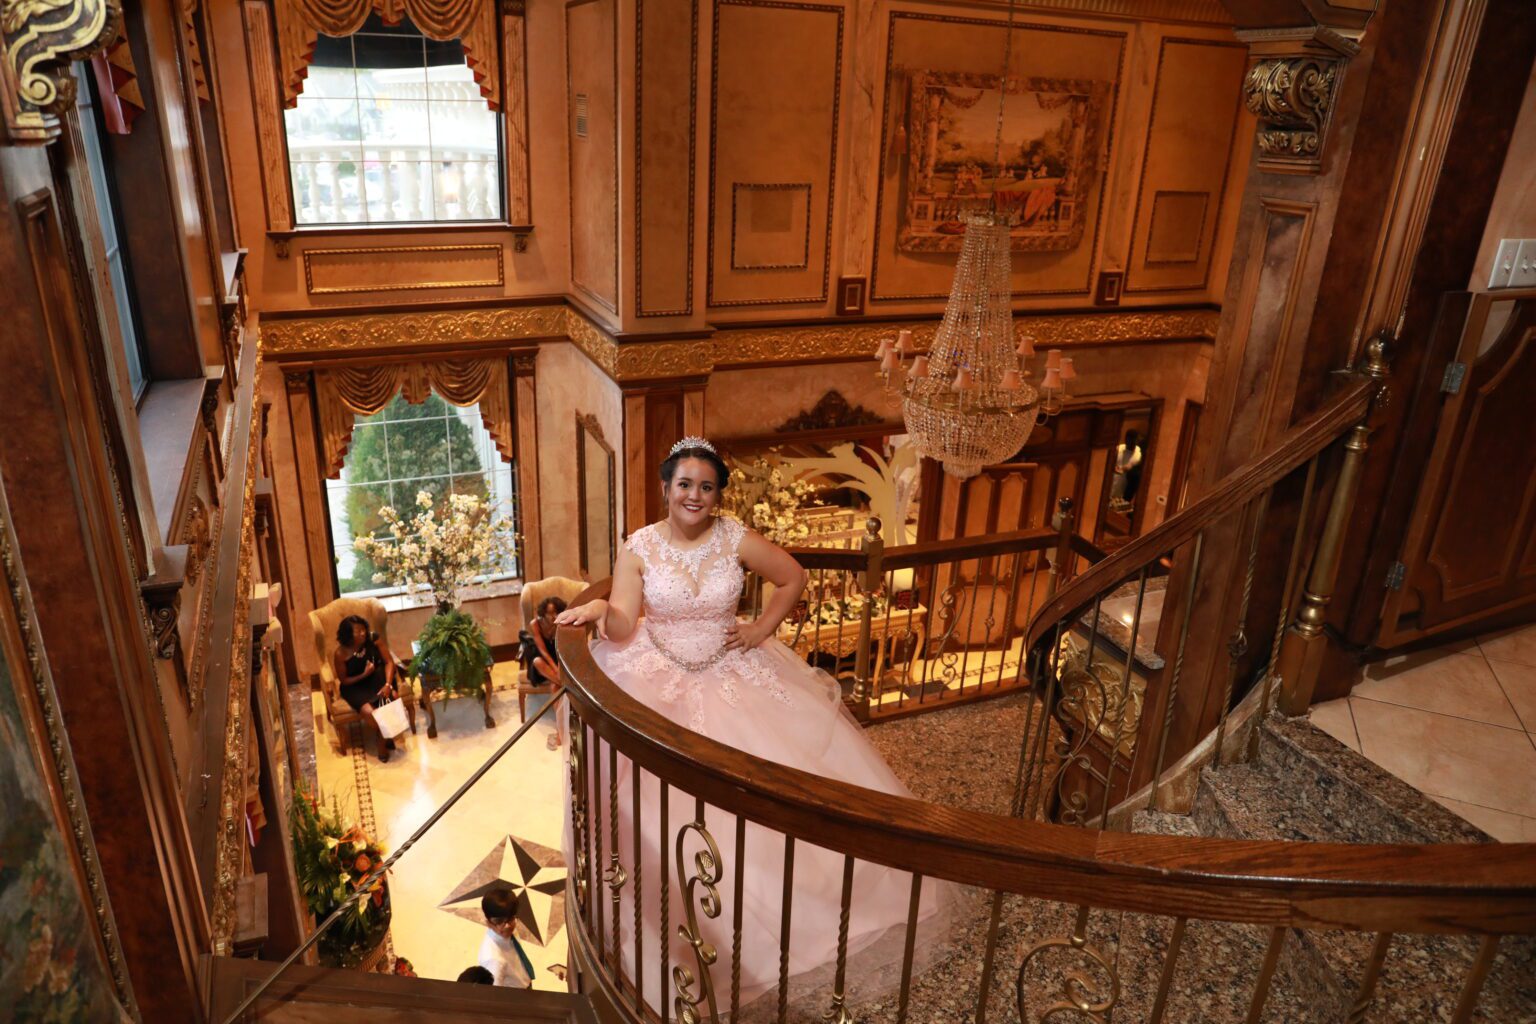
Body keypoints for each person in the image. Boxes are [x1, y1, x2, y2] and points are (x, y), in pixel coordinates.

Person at [557, 436, 950, 1014]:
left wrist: (761, 629)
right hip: (656, 676)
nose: (694, 496)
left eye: (706, 487)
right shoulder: (638, 547)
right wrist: (599, 610)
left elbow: (793, 577)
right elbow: (622, 624)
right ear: (666, 488)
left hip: (734, 671)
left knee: (772, 796)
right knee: (665, 809)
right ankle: (689, 937)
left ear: (717, 495)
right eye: (684, 484)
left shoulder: (734, 537)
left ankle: (792, 928)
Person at [332, 614, 398, 763]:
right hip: (354, 686)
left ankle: (381, 739)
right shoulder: (340, 653)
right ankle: (384, 735)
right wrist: (364, 674)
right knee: (370, 713)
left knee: (393, 697)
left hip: (377, 677)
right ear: (348, 634)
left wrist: (388, 684)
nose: (363, 633)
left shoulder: (373, 638)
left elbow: (389, 662)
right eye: (358, 631)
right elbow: (344, 680)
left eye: (363, 629)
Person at [526, 596, 566, 750]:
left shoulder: (561, 622)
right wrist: (556, 670)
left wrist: (559, 667)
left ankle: (560, 731)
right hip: (541, 661)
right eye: (549, 613)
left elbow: (561, 648)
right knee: (537, 661)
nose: (553, 616)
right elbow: (542, 651)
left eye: (556, 612)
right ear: (543, 612)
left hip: (557, 659)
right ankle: (568, 685)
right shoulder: (535, 624)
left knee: (555, 688)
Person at [478, 888, 535, 988]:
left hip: (523, 980)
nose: (507, 926)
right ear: (488, 922)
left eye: (510, 918)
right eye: (499, 921)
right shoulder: (493, 960)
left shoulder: (509, 929)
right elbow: (494, 992)